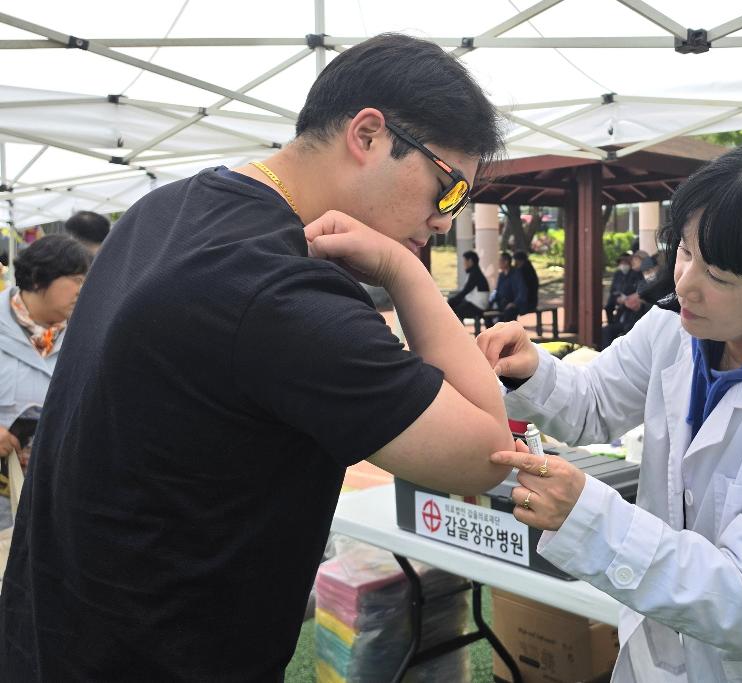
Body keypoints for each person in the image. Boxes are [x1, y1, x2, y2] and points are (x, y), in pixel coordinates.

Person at [0, 33, 514, 682]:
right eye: (448, 189)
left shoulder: (162, 210)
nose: (443, 220)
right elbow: (488, 451)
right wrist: (402, 270)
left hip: (51, 634)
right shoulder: (280, 288)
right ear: (368, 135)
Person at [477, 140, 742, 683]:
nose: (684, 285)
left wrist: (589, 517)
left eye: (719, 277)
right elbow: (595, 403)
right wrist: (530, 371)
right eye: (684, 252)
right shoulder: (678, 329)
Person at [0, 235, 90, 480]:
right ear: (39, 278)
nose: (82, 290)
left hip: (57, 486)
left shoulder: (86, 334)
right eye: (76, 280)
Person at [448, 249, 490, 319]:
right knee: (453, 304)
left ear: (470, 261)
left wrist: (453, 300)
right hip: (475, 303)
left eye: (465, 261)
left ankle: (455, 326)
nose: (464, 264)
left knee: (454, 307)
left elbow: (466, 290)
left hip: (478, 306)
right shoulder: (474, 272)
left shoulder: (475, 274)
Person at [499, 249, 539, 322]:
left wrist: (515, 303)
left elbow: (523, 290)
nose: (515, 263)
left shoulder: (523, 270)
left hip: (527, 300)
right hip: (525, 299)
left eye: (516, 261)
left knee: (509, 312)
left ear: (520, 260)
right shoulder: (505, 274)